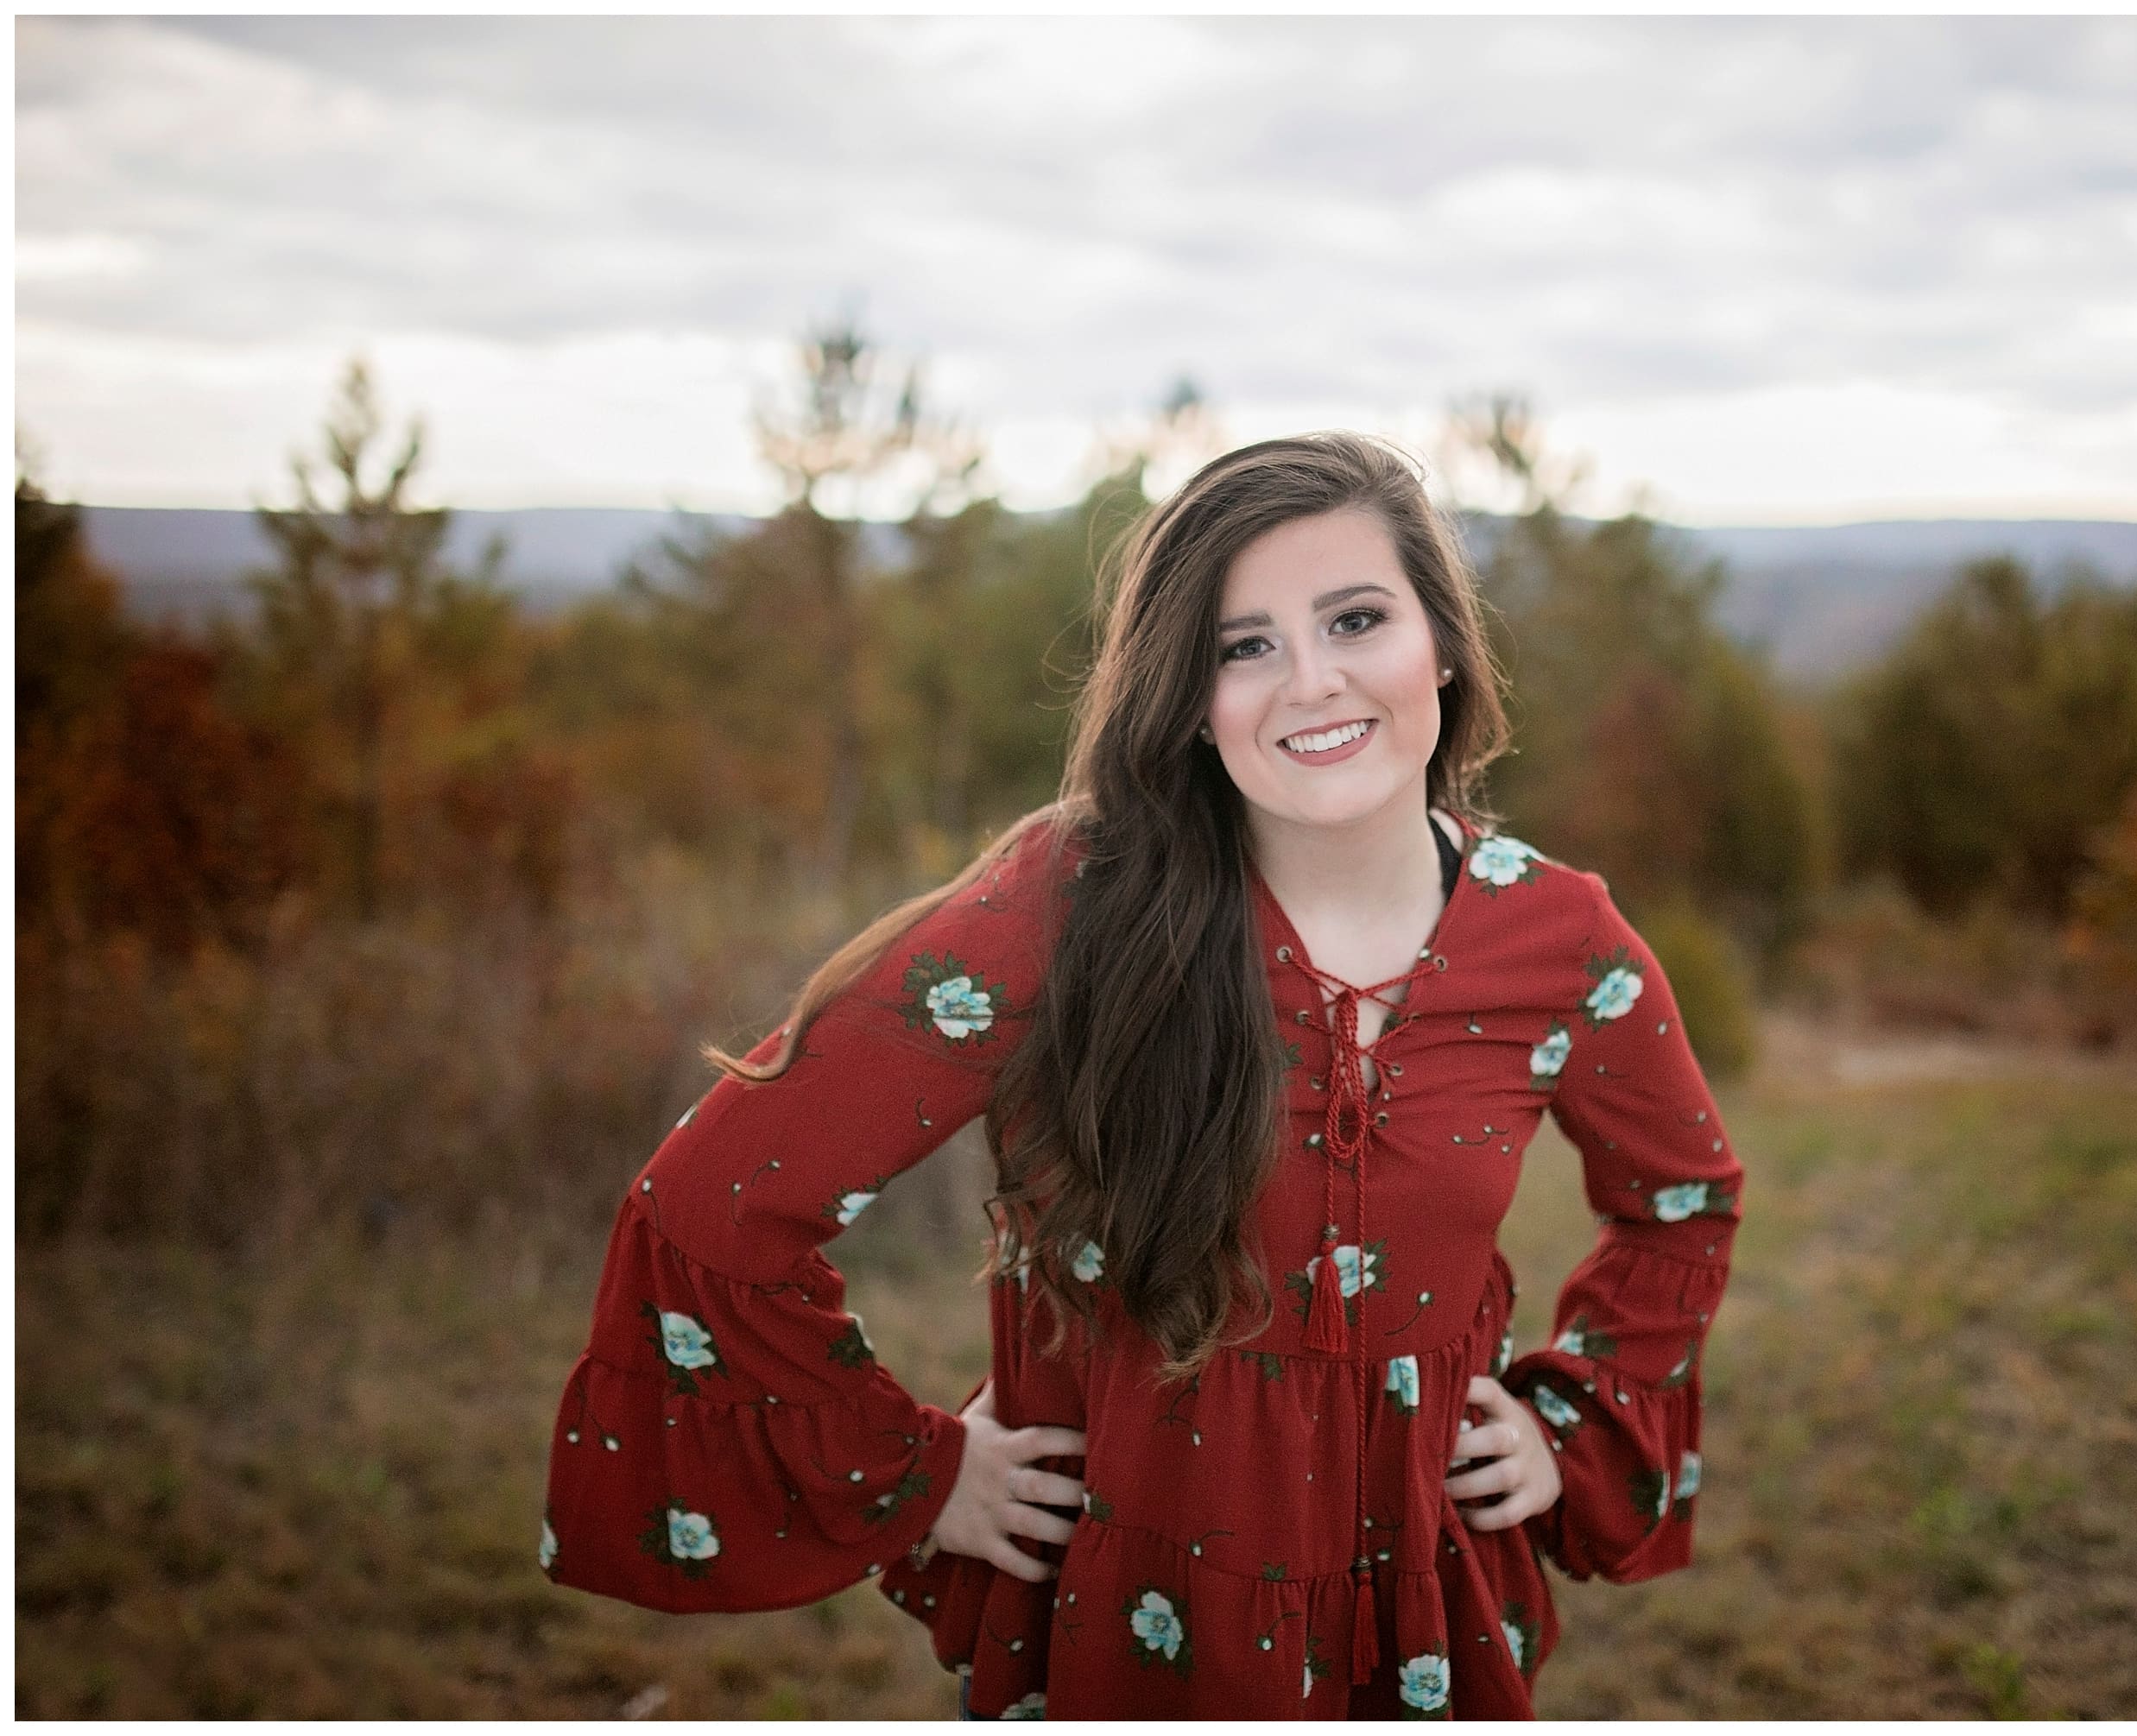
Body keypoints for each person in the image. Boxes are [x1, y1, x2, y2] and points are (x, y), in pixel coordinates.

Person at [540, 432, 1747, 1719]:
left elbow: (1684, 1202)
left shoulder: (1561, 944)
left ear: (1442, 645)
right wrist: (925, 1473)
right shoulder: (1070, 907)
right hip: (1125, 1611)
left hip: (1415, 1612)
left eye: (1355, 619)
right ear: (1190, 693)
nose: (1311, 682)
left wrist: (1566, 1427)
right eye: (1245, 646)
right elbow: (717, 1203)